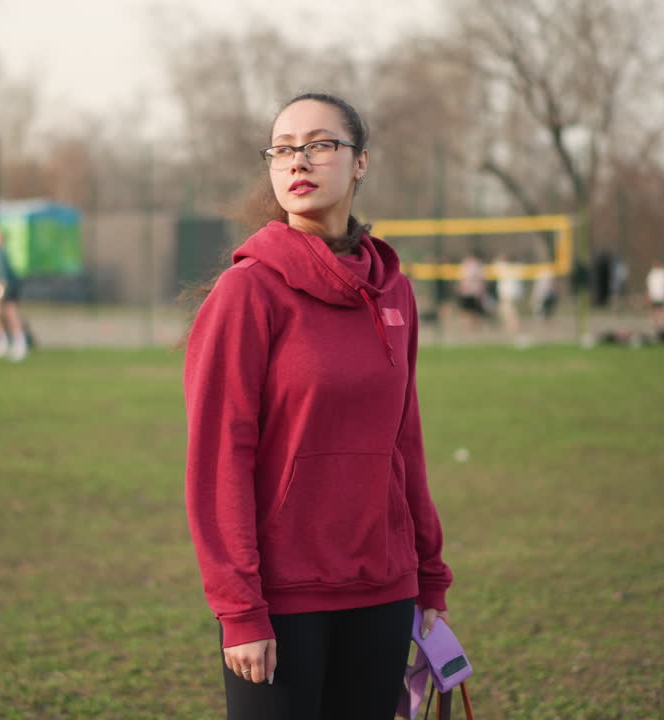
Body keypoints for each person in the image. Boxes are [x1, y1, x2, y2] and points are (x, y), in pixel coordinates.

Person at [183, 92, 453, 720]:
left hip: (383, 588)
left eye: (319, 144)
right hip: (281, 600)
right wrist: (240, 608)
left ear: (360, 162)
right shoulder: (246, 292)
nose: (297, 160)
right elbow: (219, 460)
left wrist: (428, 571)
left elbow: (403, 440)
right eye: (282, 149)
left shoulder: (395, 293)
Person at [0, 229, 29, 362]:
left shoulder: (1, 254)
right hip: (6, 287)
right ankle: (6, 343)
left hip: (6, 288)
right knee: (2, 315)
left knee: (0, 314)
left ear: (1, 240)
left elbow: (3, 277)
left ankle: (16, 344)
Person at [456, 251, 487, 332]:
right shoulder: (465, 265)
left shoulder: (479, 265)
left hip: (475, 292)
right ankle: (467, 329)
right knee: (466, 312)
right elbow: (462, 279)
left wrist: (481, 292)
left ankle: (474, 329)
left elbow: (482, 280)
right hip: (467, 292)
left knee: (474, 312)